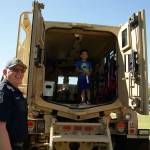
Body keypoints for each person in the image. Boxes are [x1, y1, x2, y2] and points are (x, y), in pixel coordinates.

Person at [0, 58, 28, 150]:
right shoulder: (4, 91)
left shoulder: (14, 91)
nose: (20, 73)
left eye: (22, 70)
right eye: (15, 70)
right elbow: (0, 127)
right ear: (5, 72)